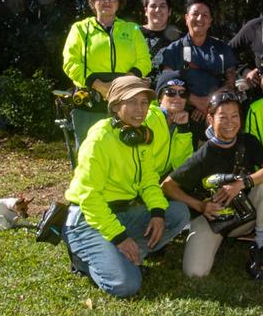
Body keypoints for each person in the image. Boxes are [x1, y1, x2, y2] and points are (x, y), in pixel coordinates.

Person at [62, 76, 190, 298]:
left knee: (178, 213)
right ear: (115, 105)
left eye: (143, 103)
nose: (139, 110)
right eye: (131, 102)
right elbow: (89, 197)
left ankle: (122, 255)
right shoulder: (99, 139)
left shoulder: (139, 136)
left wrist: (158, 213)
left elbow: (149, 180)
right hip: (88, 219)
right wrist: (119, 237)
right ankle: (83, 258)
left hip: (123, 213)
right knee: (126, 285)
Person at [161, 91, 263, 281]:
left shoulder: (248, 141)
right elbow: (167, 186)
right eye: (223, 117)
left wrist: (241, 183)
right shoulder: (203, 154)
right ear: (210, 118)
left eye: (235, 116)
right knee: (195, 273)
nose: (230, 123)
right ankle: (216, 241)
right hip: (212, 219)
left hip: (245, 213)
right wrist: (200, 206)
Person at [63, 0, 151, 147]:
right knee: (89, 150)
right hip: (90, 99)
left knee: (123, 150)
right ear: (92, 2)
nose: (106, 1)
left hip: (126, 99)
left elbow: (144, 61)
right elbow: (70, 61)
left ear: (119, 2)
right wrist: (100, 86)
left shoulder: (132, 29)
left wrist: (123, 85)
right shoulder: (80, 29)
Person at [161, 0, 237, 147]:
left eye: (205, 15)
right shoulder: (174, 50)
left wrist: (208, 103)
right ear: (186, 18)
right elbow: (165, 85)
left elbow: (231, 82)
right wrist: (195, 101)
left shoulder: (222, 48)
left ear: (210, 21)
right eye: (195, 14)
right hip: (183, 112)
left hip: (217, 111)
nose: (200, 19)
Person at [144, 70, 194, 179]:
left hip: (156, 182)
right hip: (139, 183)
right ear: (160, 97)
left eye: (183, 93)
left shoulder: (180, 124)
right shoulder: (147, 118)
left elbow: (181, 165)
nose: (177, 97)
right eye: (170, 92)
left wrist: (183, 129)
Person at [140, 0, 183, 87]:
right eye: (153, 6)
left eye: (162, 6)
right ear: (146, 11)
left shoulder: (181, 39)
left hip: (170, 95)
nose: (158, 10)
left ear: (169, 11)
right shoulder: (133, 34)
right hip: (138, 94)